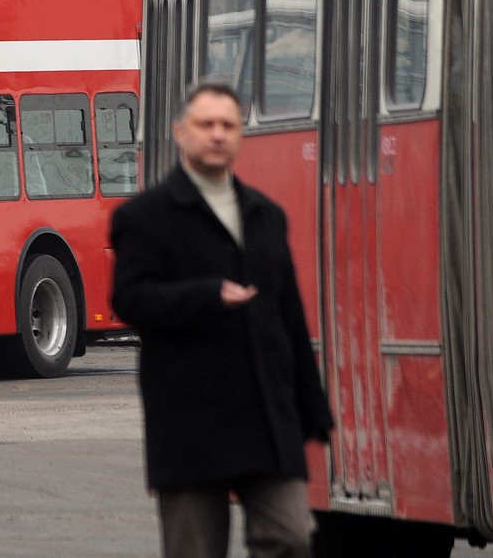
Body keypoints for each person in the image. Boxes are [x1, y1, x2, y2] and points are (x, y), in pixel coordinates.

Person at [109, 81, 333, 558]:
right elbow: (129, 299)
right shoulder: (145, 217)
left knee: (291, 535)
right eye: (206, 124)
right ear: (180, 133)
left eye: (228, 125)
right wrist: (206, 296)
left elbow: (289, 317)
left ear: (240, 136)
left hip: (265, 416)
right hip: (191, 420)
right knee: (195, 550)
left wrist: (311, 408)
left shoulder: (265, 215)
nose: (217, 134)